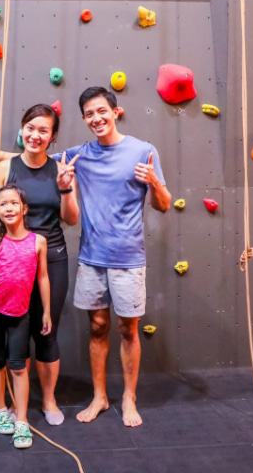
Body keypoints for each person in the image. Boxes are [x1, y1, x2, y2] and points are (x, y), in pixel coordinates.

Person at [59, 86, 172, 428]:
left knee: (127, 329)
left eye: (101, 111)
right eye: (89, 114)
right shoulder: (78, 155)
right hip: (91, 258)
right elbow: (29, 158)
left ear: (116, 111)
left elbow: (164, 205)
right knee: (96, 327)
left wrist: (154, 182)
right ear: (83, 119)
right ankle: (99, 397)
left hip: (128, 258)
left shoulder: (143, 150)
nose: (96, 118)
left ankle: (128, 397)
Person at [0, 104, 79, 426]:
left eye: (43, 131)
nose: (35, 135)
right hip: (9, 259)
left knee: (45, 330)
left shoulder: (60, 170)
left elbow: (71, 218)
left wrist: (65, 187)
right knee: (9, 332)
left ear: (52, 137)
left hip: (50, 257)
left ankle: (49, 400)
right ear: (22, 129)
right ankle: (6, 404)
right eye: (30, 128)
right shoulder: (4, 169)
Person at [0, 184, 51, 449]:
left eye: (13, 203)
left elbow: (43, 277)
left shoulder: (38, 241)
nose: (8, 208)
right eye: (3, 204)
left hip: (20, 313)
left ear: (24, 208)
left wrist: (46, 311)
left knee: (19, 366)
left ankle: (21, 420)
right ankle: (0, 410)